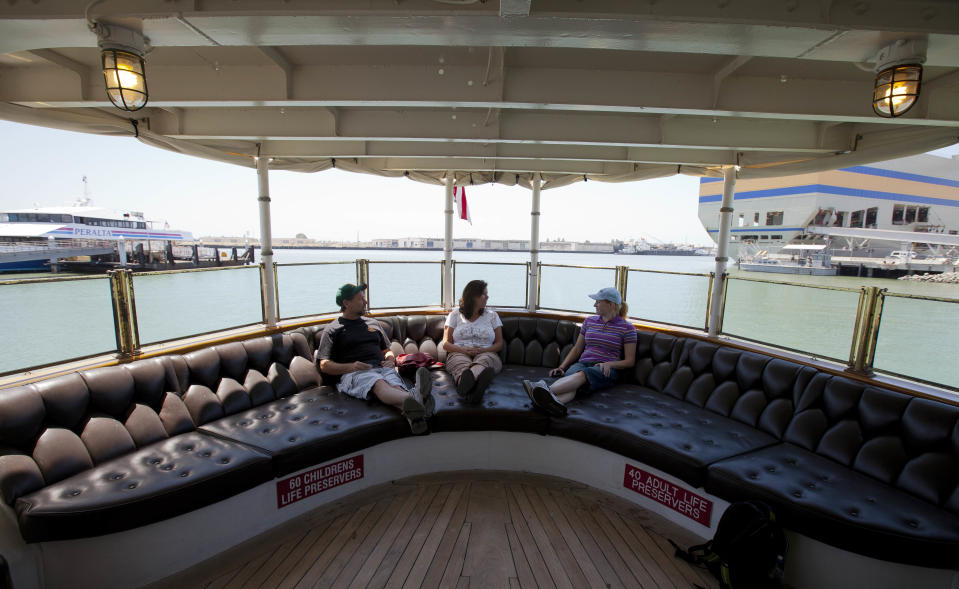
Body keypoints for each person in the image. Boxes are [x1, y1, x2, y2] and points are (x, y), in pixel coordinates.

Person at [316, 283, 435, 434]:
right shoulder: (332, 329)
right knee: (379, 384)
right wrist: (352, 366)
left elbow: (387, 351)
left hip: (382, 368)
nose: (365, 302)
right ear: (346, 303)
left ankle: (416, 419)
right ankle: (418, 397)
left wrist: (390, 360)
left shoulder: (373, 323)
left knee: (396, 387)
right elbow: (324, 365)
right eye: (360, 299)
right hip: (355, 373)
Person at [523, 287, 636, 417]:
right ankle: (553, 403)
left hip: (605, 369)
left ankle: (541, 390)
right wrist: (562, 367)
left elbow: (630, 361)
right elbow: (577, 349)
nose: (595, 304)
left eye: (598, 302)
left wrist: (610, 364)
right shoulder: (589, 321)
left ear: (610, 304)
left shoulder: (627, 328)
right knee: (572, 382)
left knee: (582, 375)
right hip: (583, 363)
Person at [440, 279, 504, 404]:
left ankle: (469, 383)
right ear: (473, 297)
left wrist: (483, 350)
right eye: (484, 294)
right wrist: (462, 350)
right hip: (459, 351)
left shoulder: (492, 315)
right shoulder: (455, 315)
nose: (487, 297)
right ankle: (472, 386)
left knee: (484, 361)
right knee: (460, 364)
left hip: (487, 352)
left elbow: (499, 344)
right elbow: (446, 343)